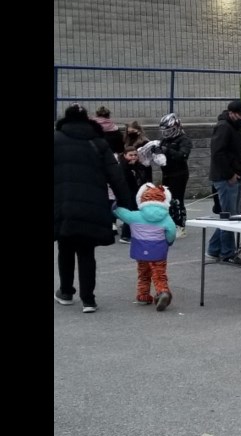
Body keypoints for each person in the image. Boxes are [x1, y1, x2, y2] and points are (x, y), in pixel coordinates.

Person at [54, 103, 135, 313]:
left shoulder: (56, 139)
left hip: (63, 204)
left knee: (65, 247)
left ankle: (66, 292)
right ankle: (88, 299)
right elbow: (116, 175)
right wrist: (126, 204)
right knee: (86, 251)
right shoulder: (98, 143)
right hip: (92, 205)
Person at [113, 183, 178, 311]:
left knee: (143, 273)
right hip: (158, 251)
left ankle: (143, 295)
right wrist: (168, 242)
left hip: (141, 251)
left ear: (141, 198)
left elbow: (120, 212)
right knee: (159, 274)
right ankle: (162, 291)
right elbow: (171, 233)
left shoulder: (135, 216)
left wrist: (114, 207)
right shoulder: (166, 218)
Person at [206, 99, 241, 265]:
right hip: (226, 178)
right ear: (231, 113)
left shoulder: (233, 127)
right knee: (230, 217)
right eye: (240, 115)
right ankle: (227, 253)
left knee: (231, 214)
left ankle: (214, 248)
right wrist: (230, 174)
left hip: (234, 176)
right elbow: (218, 153)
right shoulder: (224, 127)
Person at [156, 113, 193, 237]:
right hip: (167, 173)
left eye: (169, 131)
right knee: (167, 200)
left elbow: (183, 155)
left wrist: (168, 150)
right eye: (164, 131)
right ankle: (169, 223)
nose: (166, 134)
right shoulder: (165, 140)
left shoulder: (184, 140)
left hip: (179, 173)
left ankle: (180, 226)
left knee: (177, 200)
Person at [118, 145, 153, 243]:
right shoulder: (123, 166)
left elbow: (145, 176)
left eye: (135, 155)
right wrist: (130, 167)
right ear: (125, 155)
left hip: (137, 192)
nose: (133, 157)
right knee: (130, 213)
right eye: (130, 155)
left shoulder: (138, 165)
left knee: (137, 213)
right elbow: (126, 179)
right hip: (128, 193)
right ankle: (125, 235)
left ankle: (136, 233)